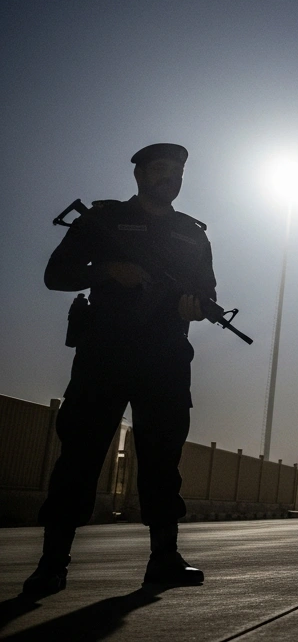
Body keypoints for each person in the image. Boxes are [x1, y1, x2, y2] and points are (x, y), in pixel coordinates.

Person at [26, 144, 221, 595]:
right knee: (80, 455)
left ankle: (164, 558)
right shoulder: (104, 219)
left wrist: (196, 306)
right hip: (105, 353)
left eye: (177, 172)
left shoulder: (192, 235)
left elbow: (206, 290)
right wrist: (108, 270)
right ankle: (52, 563)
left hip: (165, 357)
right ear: (140, 175)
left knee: (162, 459)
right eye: (161, 169)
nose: (170, 177)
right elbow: (56, 275)